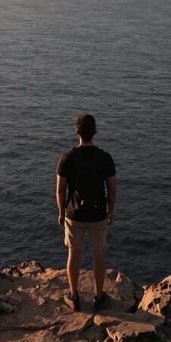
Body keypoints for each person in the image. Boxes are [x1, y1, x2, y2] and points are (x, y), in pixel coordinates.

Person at [56, 113, 116, 312]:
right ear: (95, 132)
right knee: (98, 255)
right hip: (98, 213)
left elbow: (60, 190)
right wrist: (110, 212)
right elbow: (112, 189)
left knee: (74, 254)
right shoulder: (105, 158)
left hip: (74, 214)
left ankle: (74, 296)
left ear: (77, 131)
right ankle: (99, 297)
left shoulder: (67, 158)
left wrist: (61, 211)